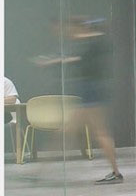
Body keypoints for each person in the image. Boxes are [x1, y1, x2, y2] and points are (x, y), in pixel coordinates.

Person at [35, 17, 122, 183]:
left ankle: (116, 173)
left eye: (71, 28)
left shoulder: (92, 42)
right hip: (89, 91)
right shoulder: (91, 42)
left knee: (97, 132)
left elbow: (75, 58)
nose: (69, 32)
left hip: (91, 91)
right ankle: (40, 172)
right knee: (68, 131)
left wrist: (51, 61)